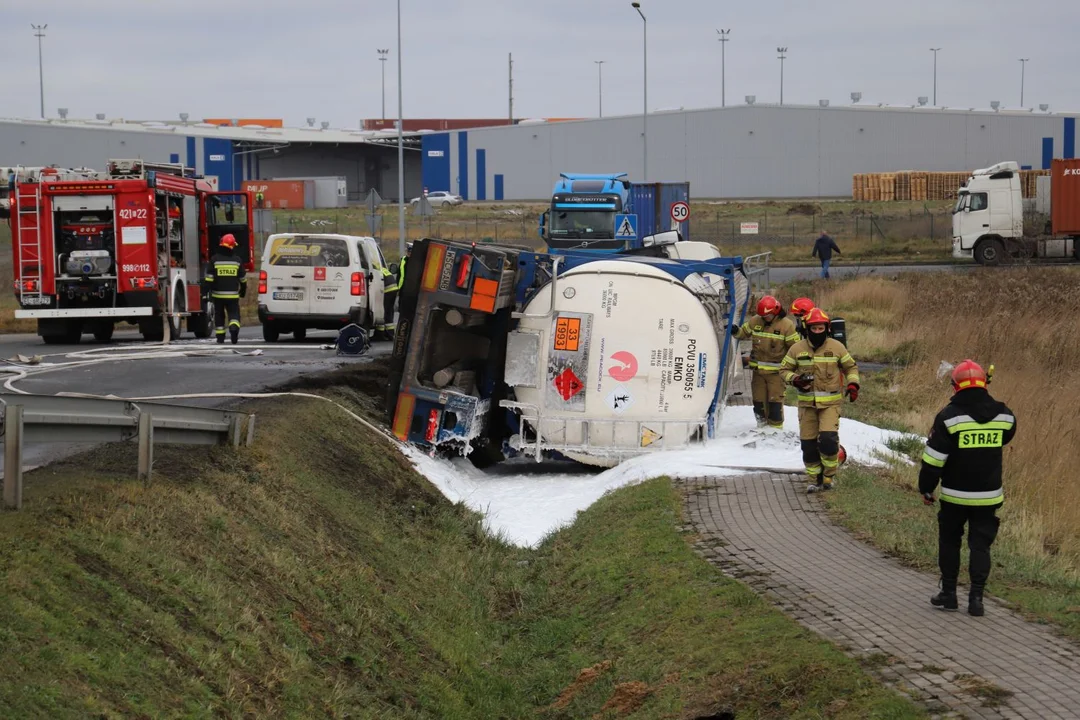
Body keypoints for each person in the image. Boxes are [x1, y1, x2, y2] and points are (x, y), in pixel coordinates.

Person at [919, 360, 1016, 617]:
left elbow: (933, 460)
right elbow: (1006, 437)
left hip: (954, 497)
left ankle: (949, 594)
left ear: (955, 386)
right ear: (985, 383)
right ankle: (976, 600)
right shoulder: (1005, 415)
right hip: (988, 496)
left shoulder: (949, 417)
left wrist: (926, 488)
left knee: (950, 542)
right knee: (980, 547)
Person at [780, 308, 859, 493]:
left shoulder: (836, 347)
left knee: (828, 440)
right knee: (808, 445)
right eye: (814, 329)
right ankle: (814, 479)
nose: (817, 332)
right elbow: (783, 370)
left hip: (830, 405)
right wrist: (795, 380)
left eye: (820, 328)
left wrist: (853, 384)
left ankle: (829, 476)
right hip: (807, 406)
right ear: (807, 329)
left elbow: (851, 367)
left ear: (827, 328)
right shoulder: (797, 349)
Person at [732, 295, 800, 429]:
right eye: (763, 316)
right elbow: (743, 333)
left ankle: (776, 431)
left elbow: (795, 349)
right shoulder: (756, 321)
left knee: (774, 404)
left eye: (767, 316)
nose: (765, 319)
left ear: (775, 312)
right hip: (758, 373)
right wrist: (735, 331)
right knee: (758, 403)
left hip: (776, 374)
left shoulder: (787, 326)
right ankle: (761, 429)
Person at [204, 234, 246, 345]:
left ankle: (220, 338)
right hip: (233, 296)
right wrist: (243, 291)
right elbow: (243, 279)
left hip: (218, 295)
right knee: (234, 314)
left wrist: (204, 294)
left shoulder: (214, 260)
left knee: (219, 316)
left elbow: (209, 279)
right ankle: (233, 329)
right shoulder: (237, 260)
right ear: (233, 246)